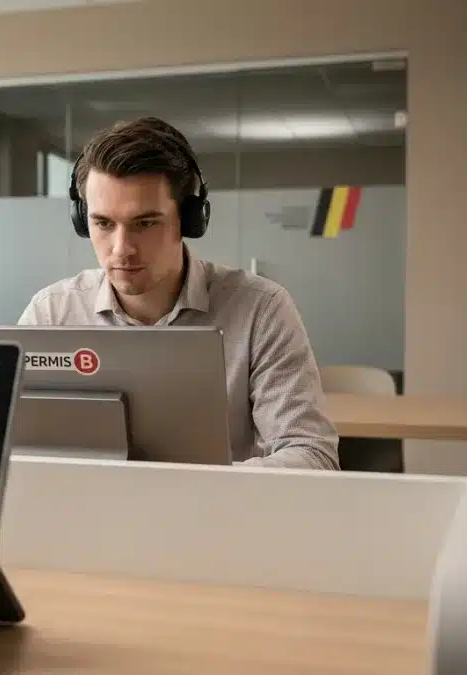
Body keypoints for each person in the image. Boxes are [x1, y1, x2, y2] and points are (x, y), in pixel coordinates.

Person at [18, 117, 338, 470]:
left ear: (188, 220)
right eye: (103, 223)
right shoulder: (51, 313)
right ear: (83, 219)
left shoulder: (261, 308)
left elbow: (312, 455)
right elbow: (10, 447)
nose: (121, 249)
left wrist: (190, 484)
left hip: (218, 504)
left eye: (145, 223)